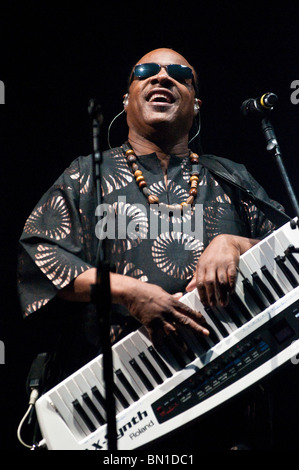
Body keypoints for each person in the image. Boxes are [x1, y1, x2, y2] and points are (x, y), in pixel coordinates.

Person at [17, 48, 286, 450]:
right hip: (121, 402)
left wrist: (233, 242)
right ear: (126, 101)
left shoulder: (231, 177)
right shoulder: (85, 175)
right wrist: (130, 293)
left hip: (231, 400)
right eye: (145, 71)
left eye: (180, 73)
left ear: (196, 106)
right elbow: (39, 257)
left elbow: (289, 243)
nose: (162, 77)